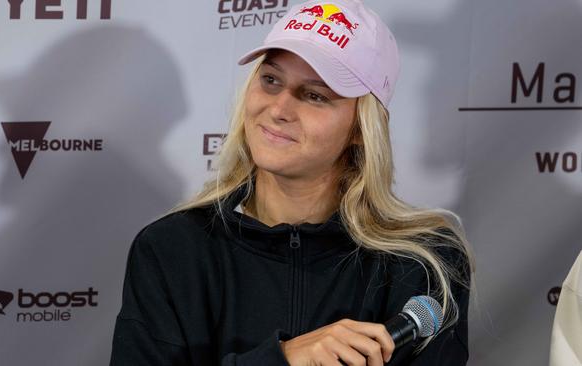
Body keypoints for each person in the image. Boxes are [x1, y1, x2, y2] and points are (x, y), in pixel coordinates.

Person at [109, 0, 474, 365]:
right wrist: (283, 359)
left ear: (361, 128)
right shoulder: (169, 249)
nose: (279, 108)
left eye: (314, 95)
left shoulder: (425, 264)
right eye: (270, 80)